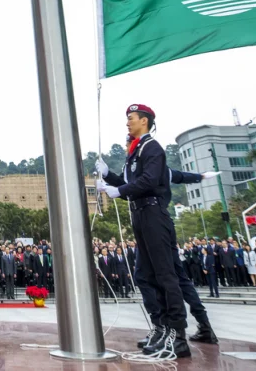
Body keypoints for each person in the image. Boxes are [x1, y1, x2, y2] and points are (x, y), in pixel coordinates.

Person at [96, 104, 189, 357]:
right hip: (139, 213)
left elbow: (148, 181)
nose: (128, 122)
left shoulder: (152, 148)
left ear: (144, 121)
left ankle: (178, 335)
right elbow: (131, 184)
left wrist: (119, 190)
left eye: (131, 118)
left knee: (165, 275)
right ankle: (160, 327)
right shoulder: (136, 152)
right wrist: (109, 177)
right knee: (144, 275)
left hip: (153, 213)